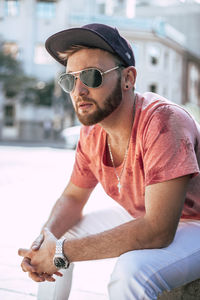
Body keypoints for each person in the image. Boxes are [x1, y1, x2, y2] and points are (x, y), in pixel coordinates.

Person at [18, 23, 200, 300]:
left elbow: (159, 230)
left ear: (128, 78)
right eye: (69, 80)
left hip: (193, 223)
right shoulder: (92, 131)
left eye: (91, 76)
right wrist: (41, 245)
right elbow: (73, 197)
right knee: (58, 234)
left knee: (131, 271)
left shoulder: (163, 120)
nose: (78, 91)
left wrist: (60, 253)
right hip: (144, 214)